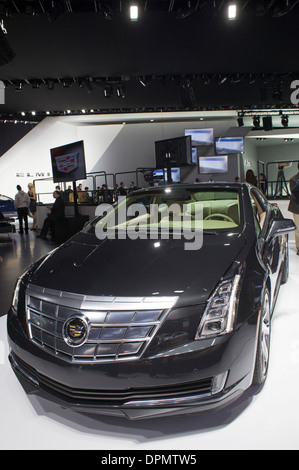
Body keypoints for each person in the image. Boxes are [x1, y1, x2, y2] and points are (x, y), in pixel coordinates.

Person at [288, 162, 299, 255]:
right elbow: (294, 194)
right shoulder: (293, 179)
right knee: (298, 228)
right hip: (297, 207)